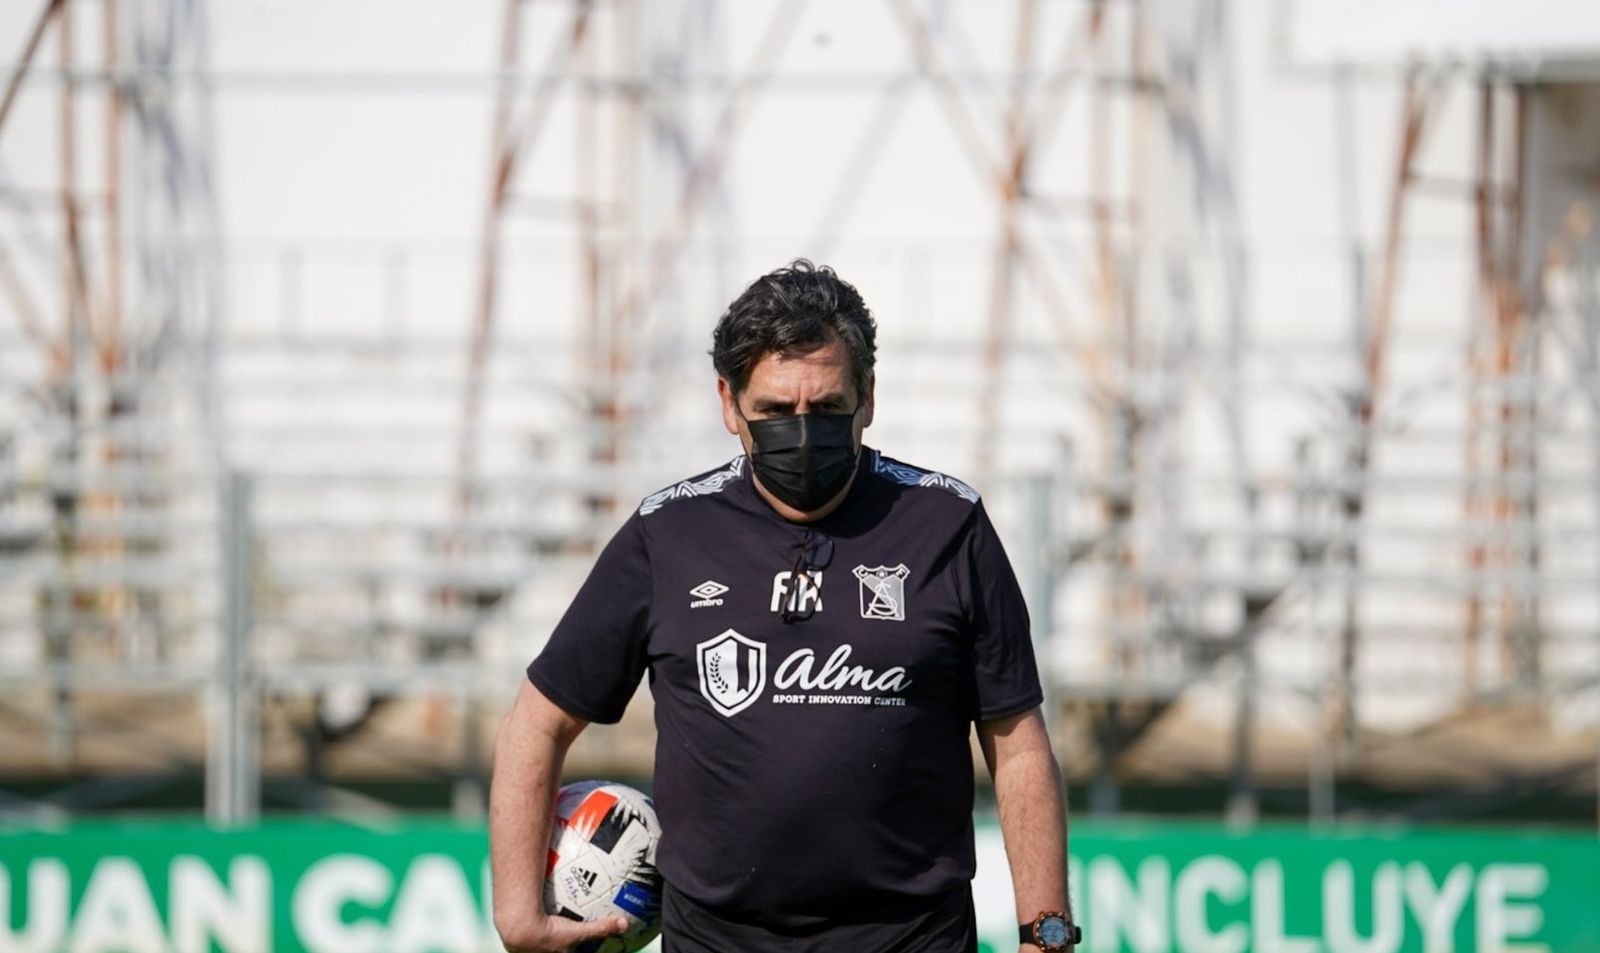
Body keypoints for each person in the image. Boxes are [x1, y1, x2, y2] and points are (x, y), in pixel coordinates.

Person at [490, 259, 1077, 953]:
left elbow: (1017, 744)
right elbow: (537, 720)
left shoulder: (947, 524)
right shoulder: (667, 535)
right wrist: (516, 911)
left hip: (911, 939)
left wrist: (1048, 932)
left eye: (827, 408)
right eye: (774, 410)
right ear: (728, 403)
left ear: (867, 398)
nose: (802, 434)